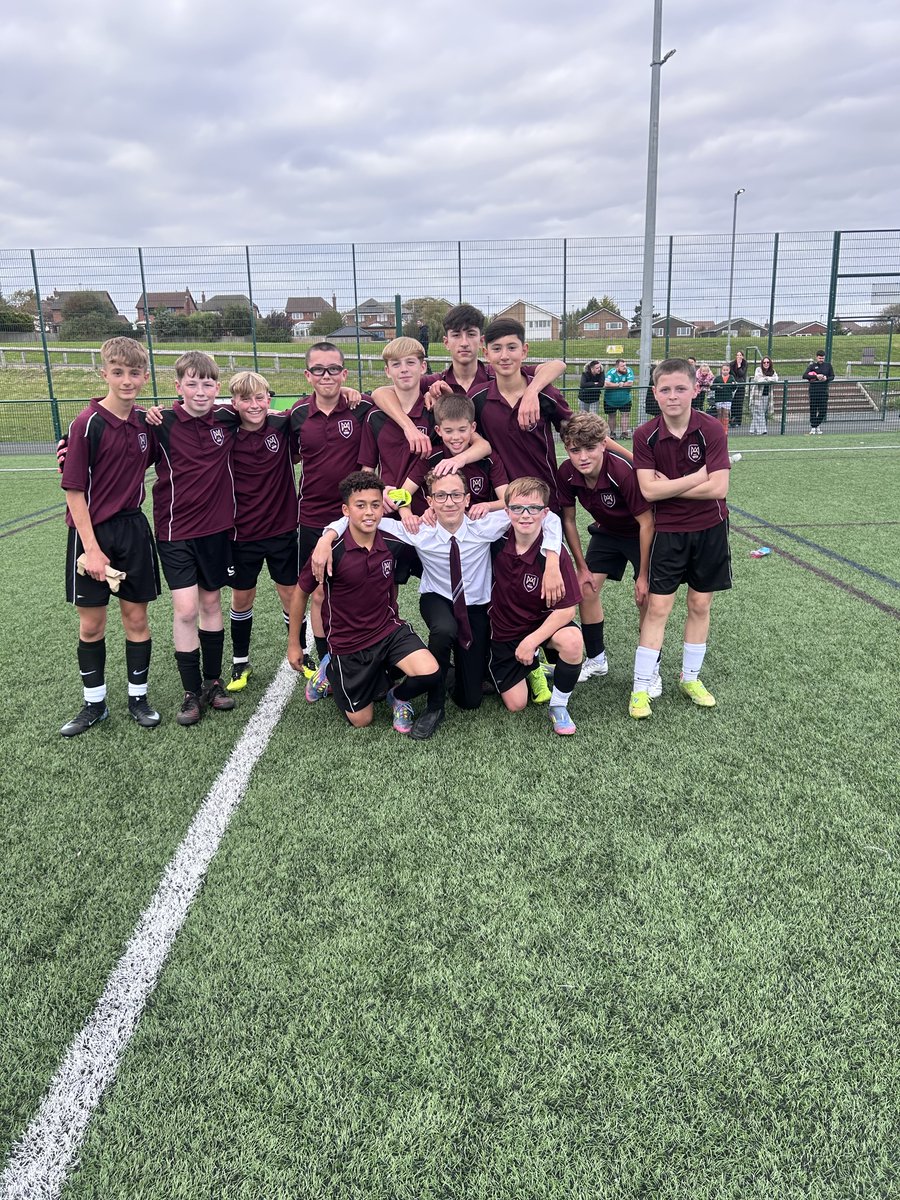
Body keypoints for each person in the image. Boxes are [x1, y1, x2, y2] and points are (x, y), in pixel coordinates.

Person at [311, 469, 564, 738]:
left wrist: (552, 562)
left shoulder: (485, 524)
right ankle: (435, 705)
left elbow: (549, 517)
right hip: (437, 599)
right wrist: (327, 537)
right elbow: (362, 518)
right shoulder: (419, 530)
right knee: (444, 630)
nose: (449, 502)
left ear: (467, 499)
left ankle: (454, 672)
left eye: (456, 495)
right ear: (430, 501)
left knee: (470, 700)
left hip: (476, 606)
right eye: (441, 496)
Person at [59, 337, 161, 736]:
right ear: (104, 374)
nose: (126, 380)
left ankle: (138, 698)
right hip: (91, 534)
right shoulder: (87, 424)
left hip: (133, 529)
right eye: (118, 372)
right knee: (91, 625)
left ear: (145, 376)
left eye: (134, 373)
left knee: (136, 618)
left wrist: (157, 416)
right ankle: (94, 704)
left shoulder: (145, 423)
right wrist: (92, 549)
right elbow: (74, 491)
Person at [287, 472, 443, 733]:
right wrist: (294, 644)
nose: (369, 512)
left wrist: (430, 515)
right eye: (360, 505)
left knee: (430, 671)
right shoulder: (330, 551)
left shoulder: (393, 541)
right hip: (348, 643)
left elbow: (429, 538)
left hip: (388, 631)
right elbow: (301, 593)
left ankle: (397, 696)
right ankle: (331, 669)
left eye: (375, 505)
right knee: (362, 720)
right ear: (346, 510)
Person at [630, 358, 732, 719]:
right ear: (654, 393)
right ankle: (640, 688)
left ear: (695, 390)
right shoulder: (644, 435)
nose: (673, 396)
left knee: (700, 605)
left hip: (710, 528)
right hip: (669, 532)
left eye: (680, 388)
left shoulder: (712, 429)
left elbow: (719, 488)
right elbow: (648, 491)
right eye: (665, 389)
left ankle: (690, 678)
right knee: (658, 609)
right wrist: (697, 477)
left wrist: (669, 486)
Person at [557, 412, 657, 691]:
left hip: (641, 533)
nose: (583, 457)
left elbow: (647, 522)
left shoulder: (621, 472)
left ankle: (651, 669)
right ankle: (596, 659)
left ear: (603, 444)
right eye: (575, 450)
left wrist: (643, 576)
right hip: (608, 532)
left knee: (646, 598)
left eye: (590, 448)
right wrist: (581, 567)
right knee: (586, 589)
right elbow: (568, 520)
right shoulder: (566, 473)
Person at [487, 477, 584, 736]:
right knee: (516, 704)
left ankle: (559, 706)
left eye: (533, 508)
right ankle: (533, 667)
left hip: (541, 625)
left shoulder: (555, 553)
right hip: (505, 630)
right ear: (507, 511)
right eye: (518, 508)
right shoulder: (494, 542)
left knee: (573, 641)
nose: (525, 515)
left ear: (545, 512)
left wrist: (531, 641)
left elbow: (567, 610)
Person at [423, 303, 566, 430]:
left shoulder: (500, 373)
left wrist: (531, 391)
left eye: (471, 334)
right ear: (446, 342)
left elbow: (557, 365)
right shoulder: (434, 383)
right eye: (456, 335)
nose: (464, 343)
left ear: (481, 341)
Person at [406, 392, 509, 517]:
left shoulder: (489, 459)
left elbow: (507, 500)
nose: (456, 437)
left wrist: (488, 506)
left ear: (473, 428)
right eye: (448, 431)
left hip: (477, 524)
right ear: (438, 430)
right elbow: (403, 493)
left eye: (462, 430)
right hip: (438, 524)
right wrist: (407, 515)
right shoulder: (431, 457)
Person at [804, 350, 834, 434]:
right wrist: (816, 376)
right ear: (817, 357)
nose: (821, 360)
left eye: (822, 358)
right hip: (813, 391)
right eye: (820, 358)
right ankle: (813, 428)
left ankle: (815, 425)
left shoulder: (828, 366)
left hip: (823, 391)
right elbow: (805, 375)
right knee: (813, 410)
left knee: (823, 410)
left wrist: (826, 378)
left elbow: (832, 376)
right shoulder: (812, 366)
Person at [603, 358, 634, 438]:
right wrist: (618, 385)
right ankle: (612, 433)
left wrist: (621, 384)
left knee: (625, 415)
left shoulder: (629, 371)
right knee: (612, 416)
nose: (625, 367)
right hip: (610, 401)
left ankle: (624, 433)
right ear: (617, 367)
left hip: (625, 400)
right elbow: (606, 384)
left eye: (625, 365)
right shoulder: (611, 373)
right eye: (622, 366)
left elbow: (630, 383)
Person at [749, 356, 778, 435]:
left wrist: (766, 378)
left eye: (767, 362)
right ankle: (762, 430)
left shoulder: (772, 371)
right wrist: (768, 379)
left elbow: (776, 379)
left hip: (766, 395)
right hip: (757, 395)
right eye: (764, 362)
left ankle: (752, 430)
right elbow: (758, 379)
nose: (766, 364)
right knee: (758, 412)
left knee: (760, 412)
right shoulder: (758, 369)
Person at [710, 362, 735, 437]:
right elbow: (712, 387)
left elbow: (734, 388)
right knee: (720, 414)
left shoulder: (731, 378)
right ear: (721, 370)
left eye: (727, 370)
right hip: (719, 399)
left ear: (729, 370)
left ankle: (725, 430)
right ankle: (719, 430)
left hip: (728, 398)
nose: (725, 371)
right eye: (724, 370)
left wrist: (734, 385)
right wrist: (717, 387)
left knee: (726, 414)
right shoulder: (717, 378)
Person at [729, 350, 748, 427]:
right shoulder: (732, 364)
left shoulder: (745, 364)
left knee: (739, 404)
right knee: (733, 403)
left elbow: (741, 374)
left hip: (741, 386)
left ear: (743, 356)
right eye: (737, 355)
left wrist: (739, 365)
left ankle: (738, 421)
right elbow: (732, 374)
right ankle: (732, 420)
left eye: (740, 355)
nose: (739, 357)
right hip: (734, 386)